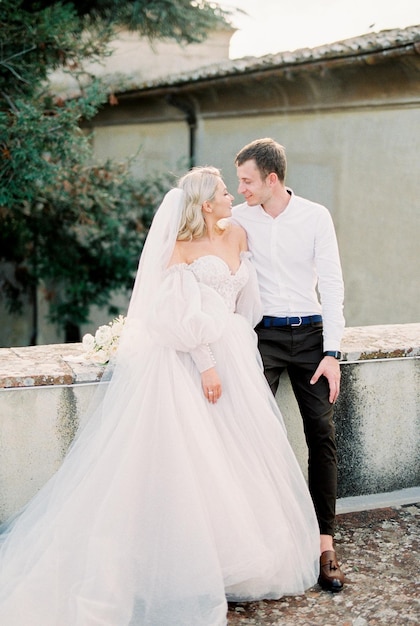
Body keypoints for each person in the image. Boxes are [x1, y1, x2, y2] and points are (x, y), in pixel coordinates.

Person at [0, 166, 320, 626]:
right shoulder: (180, 248)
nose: (233, 197)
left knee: (234, 453)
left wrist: (242, 341)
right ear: (205, 204)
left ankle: (235, 555)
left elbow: (248, 299)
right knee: (193, 456)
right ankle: (188, 562)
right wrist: (209, 362)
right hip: (192, 361)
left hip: (236, 352)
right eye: (225, 192)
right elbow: (172, 314)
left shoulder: (237, 237)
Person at [232, 139, 345, 593]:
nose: (240, 189)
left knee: (322, 435)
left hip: (313, 338)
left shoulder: (315, 216)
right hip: (262, 338)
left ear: (271, 179)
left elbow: (333, 285)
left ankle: (325, 547)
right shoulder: (237, 219)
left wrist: (332, 353)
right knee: (245, 431)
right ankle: (257, 544)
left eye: (246, 181)